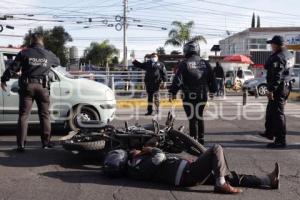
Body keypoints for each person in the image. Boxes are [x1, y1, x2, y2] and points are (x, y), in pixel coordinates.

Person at [125, 145, 280, 194]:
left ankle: (268, 180)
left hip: (188, 171)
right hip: (187, 174)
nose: (137, 150)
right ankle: (220, 184)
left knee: (230, 176)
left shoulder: (137, 166)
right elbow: (159, 158)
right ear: (132, 156)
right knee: (216, 149)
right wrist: (151, 149)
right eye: (135, 151)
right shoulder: (136, 165)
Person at [0, 33, 60, 152]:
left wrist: (3, 79)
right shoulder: (48, 54)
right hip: (43, 87)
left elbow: (13, 68)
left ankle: (21, 145)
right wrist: (45, 62)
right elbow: (57, 62)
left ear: (31, 41)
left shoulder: (24, 52)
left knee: (24, 116)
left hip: (27, 87)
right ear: (42, 42)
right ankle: (46, 143)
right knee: (45, 115)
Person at [169, 41, 217, 145]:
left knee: (192, 119)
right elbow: (212, 79)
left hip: (188, 95)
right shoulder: (205, 63)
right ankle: (201, 140)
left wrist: (172, 92)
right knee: (199, 116)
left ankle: (193, 141)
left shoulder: (184, 64)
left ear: (186, 50)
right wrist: (213, 91)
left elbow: (177, 80)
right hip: (202, 95)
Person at [259, 35, 294, 148]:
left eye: (272, 44)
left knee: (278, 113)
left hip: (279, 87)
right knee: (270, 110)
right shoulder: (289, 54)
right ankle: (269, 132)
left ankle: (280, 140)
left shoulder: (278, 57)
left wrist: (270, 90)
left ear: (277, 45)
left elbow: (277, 76)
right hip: (286, 86)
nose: (271, 46)